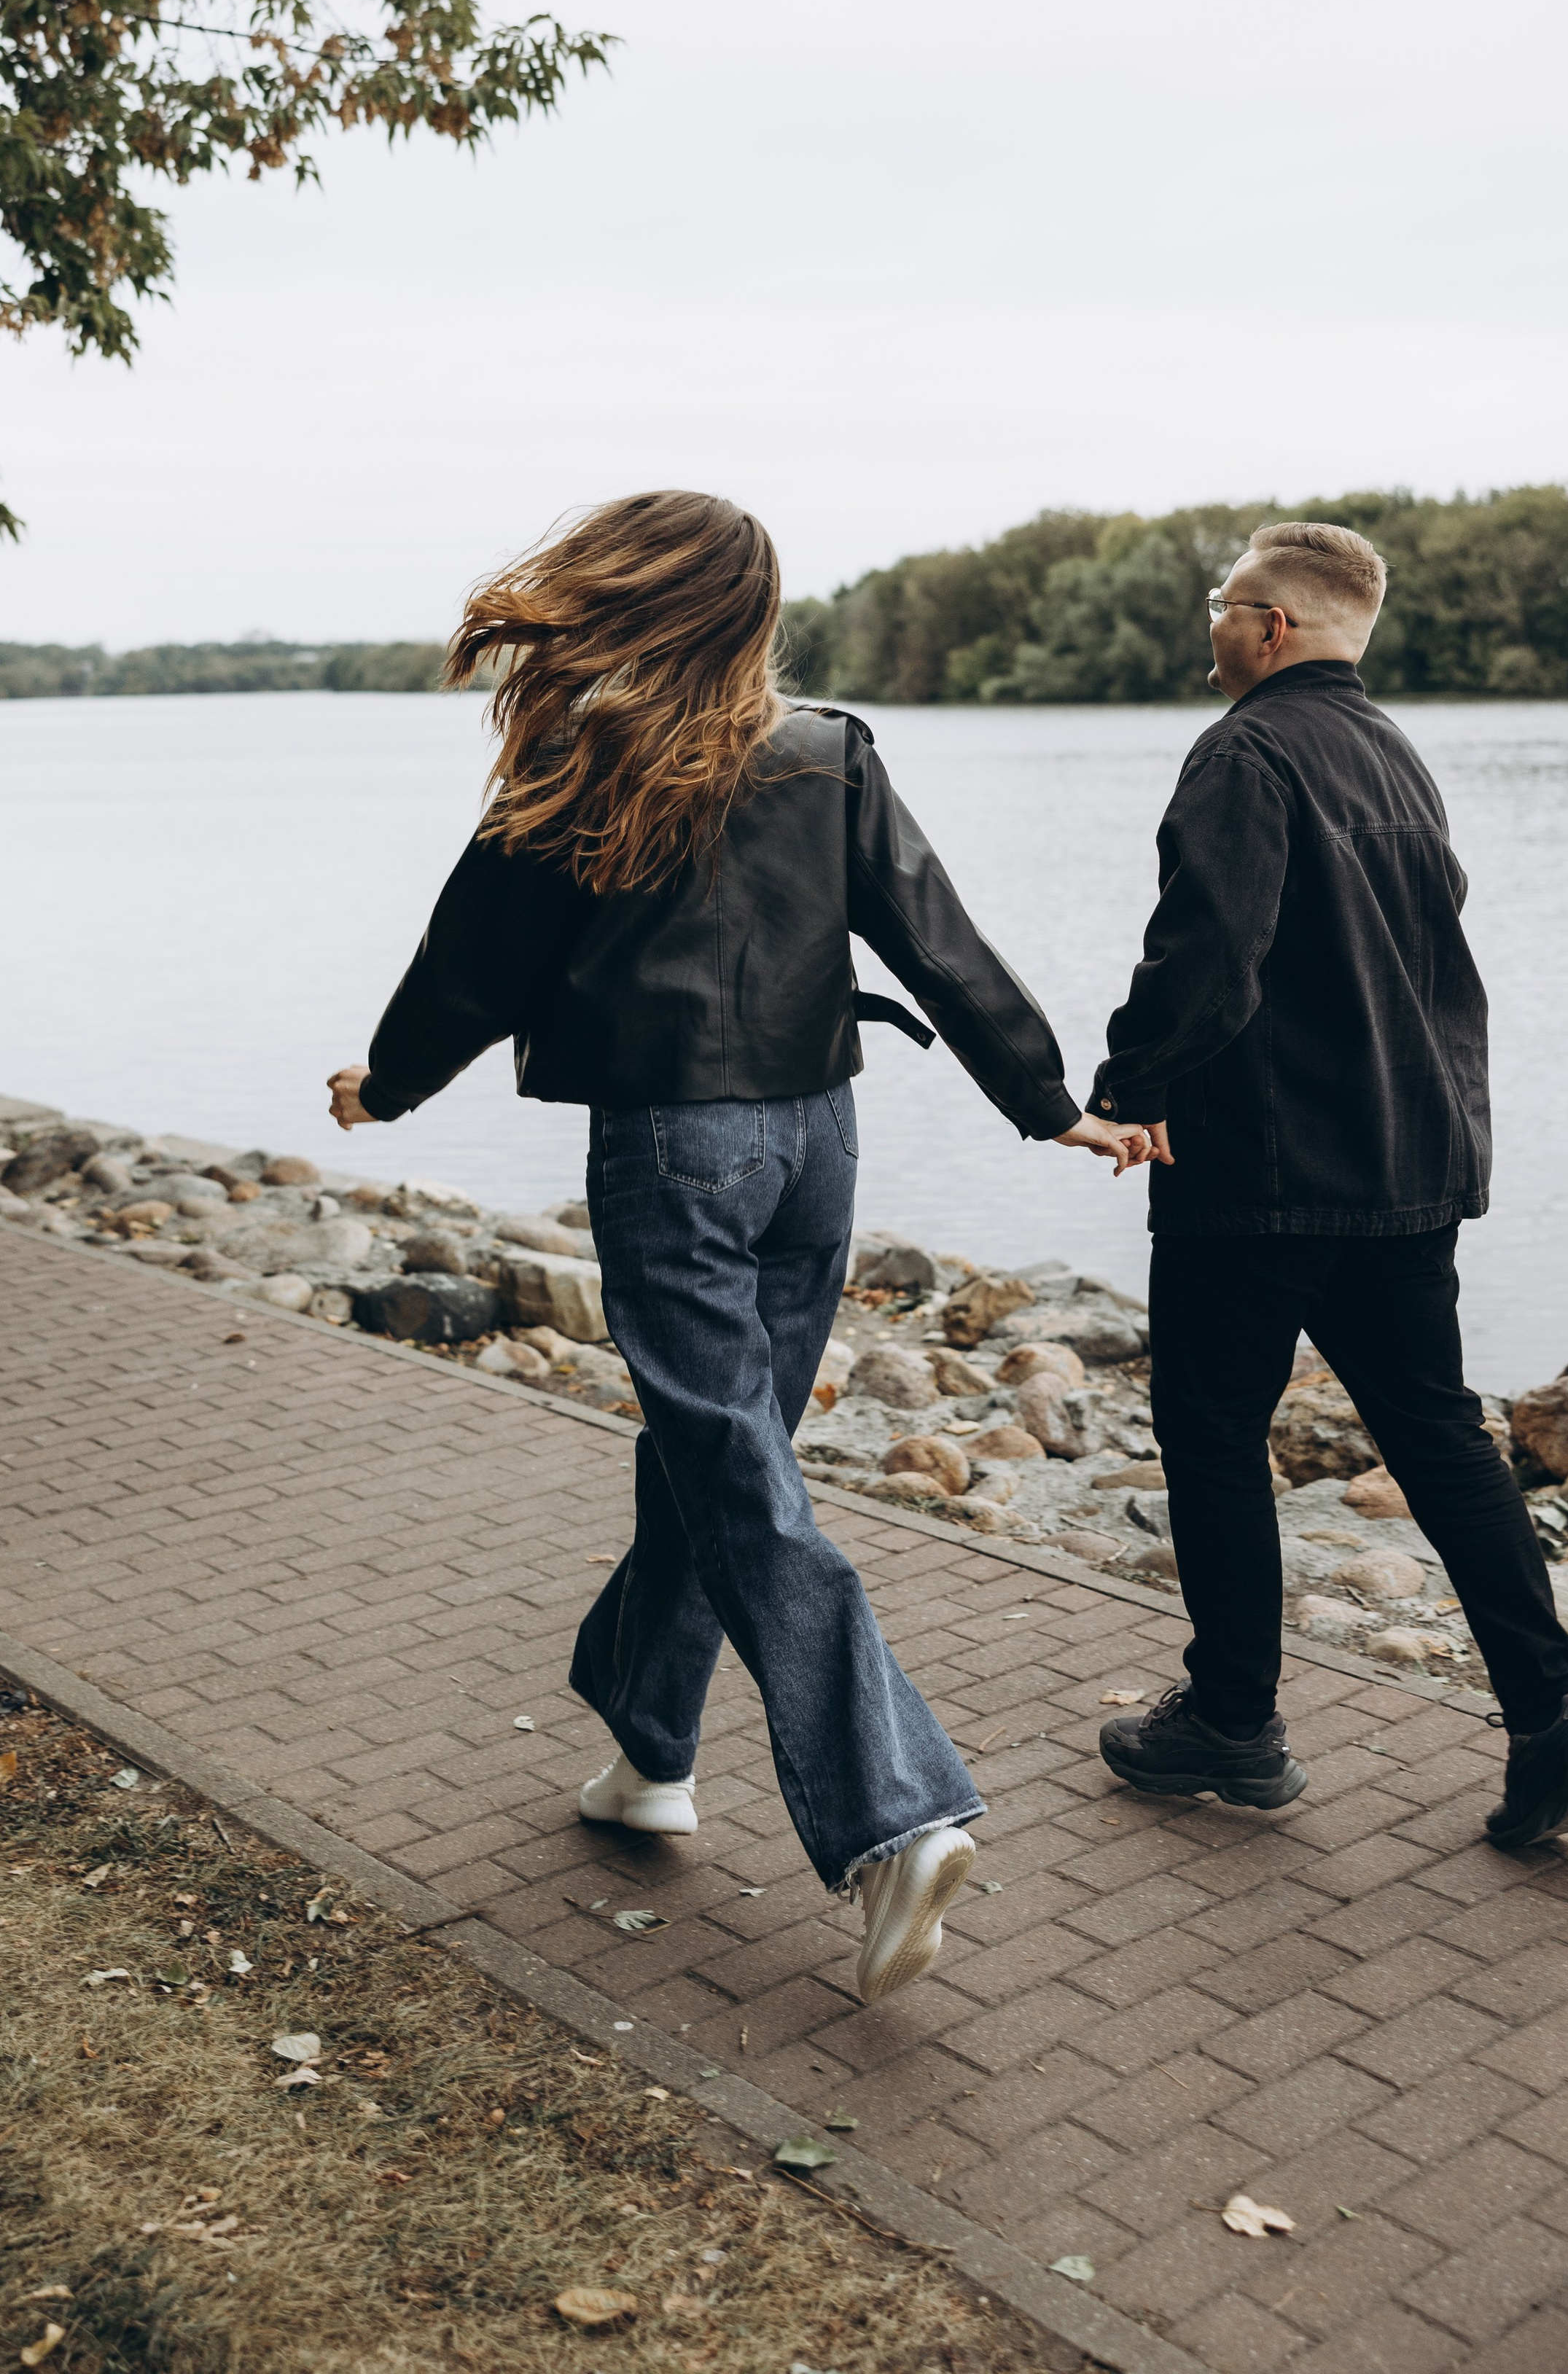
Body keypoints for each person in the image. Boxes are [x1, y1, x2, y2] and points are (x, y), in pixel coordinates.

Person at [327, 489, 1138, 1999]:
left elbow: (469, 960)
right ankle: (648, 1751)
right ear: (745, 616)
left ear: (631, 601)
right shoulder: (825, 749)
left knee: (736, 1472)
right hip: (813, 1140)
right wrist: (1046, 1102)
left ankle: (897, 1818)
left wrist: (386, 1082)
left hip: (670, 1146)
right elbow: (935, 938)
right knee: (717, 1450)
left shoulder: (580, 758)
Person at [1089, 519, 1568, 1849]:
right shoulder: (1396, 753)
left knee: (1215, 1433)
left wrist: (1127, 1092)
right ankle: (1556, 1716)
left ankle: (1232, 1720)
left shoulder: (1246, 750)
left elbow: (1210, 952)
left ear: (1271, 627)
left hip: (1268, 1173)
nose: (1213, 628)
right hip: (1409, 1164)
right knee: (1443, 1439)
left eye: (1225, 607)